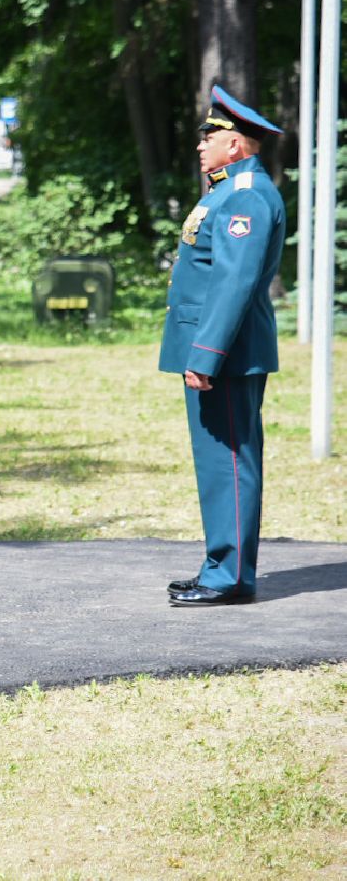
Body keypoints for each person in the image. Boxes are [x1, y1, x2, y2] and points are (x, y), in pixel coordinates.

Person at [160, 86, 285, 608]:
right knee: (217, 461)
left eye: (209, 136)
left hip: (227, 354)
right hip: (220, 350)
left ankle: (230, 575)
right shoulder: (227, 191)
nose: (200, 145)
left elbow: (233, 284)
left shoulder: (245, 196)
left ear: (235, 144)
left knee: (229, 461)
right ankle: (220, 564)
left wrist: (205, 354)